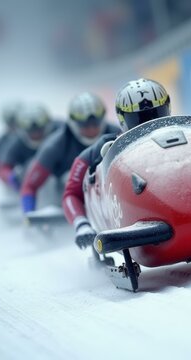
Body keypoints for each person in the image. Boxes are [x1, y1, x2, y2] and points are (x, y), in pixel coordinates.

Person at [62, 78, 171, 249]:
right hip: (138, 215)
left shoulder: (184, 134)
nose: (149, 122)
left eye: (156, 113)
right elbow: (71, 192)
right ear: (123, 118)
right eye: (138, 118)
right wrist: (81, 224)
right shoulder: (105, 144)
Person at [20, 92, 120, 213]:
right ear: (73, 123)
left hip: (108, 194)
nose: (91, 129)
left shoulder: (117, 133)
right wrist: (29, 215)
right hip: (63, 199)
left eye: (95, 124)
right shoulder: (55, 146)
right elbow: (30, 186)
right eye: (85, 125)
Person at [0, 103, 61, 194]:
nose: (36, 134)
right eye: (31, 131)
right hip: (34, 181)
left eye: (39, 129)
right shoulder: (17, 142)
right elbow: (4, 168)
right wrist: (11, 178)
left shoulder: (60, 131)